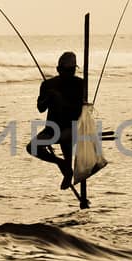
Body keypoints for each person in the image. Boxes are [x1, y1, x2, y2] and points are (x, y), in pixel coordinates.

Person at [26, 51, 86, 189]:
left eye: (72, 70)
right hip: (52, 128)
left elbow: (78, 110)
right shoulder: (48, 85)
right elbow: (41, 108)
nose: (70, 73)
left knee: (66, 138)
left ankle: (67, 171)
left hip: (73, 127)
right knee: (31, 147)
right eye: (66, 70)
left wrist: (61, 100)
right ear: (59, 70)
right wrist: (49, 97)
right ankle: (62, 164)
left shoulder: (80, 84)